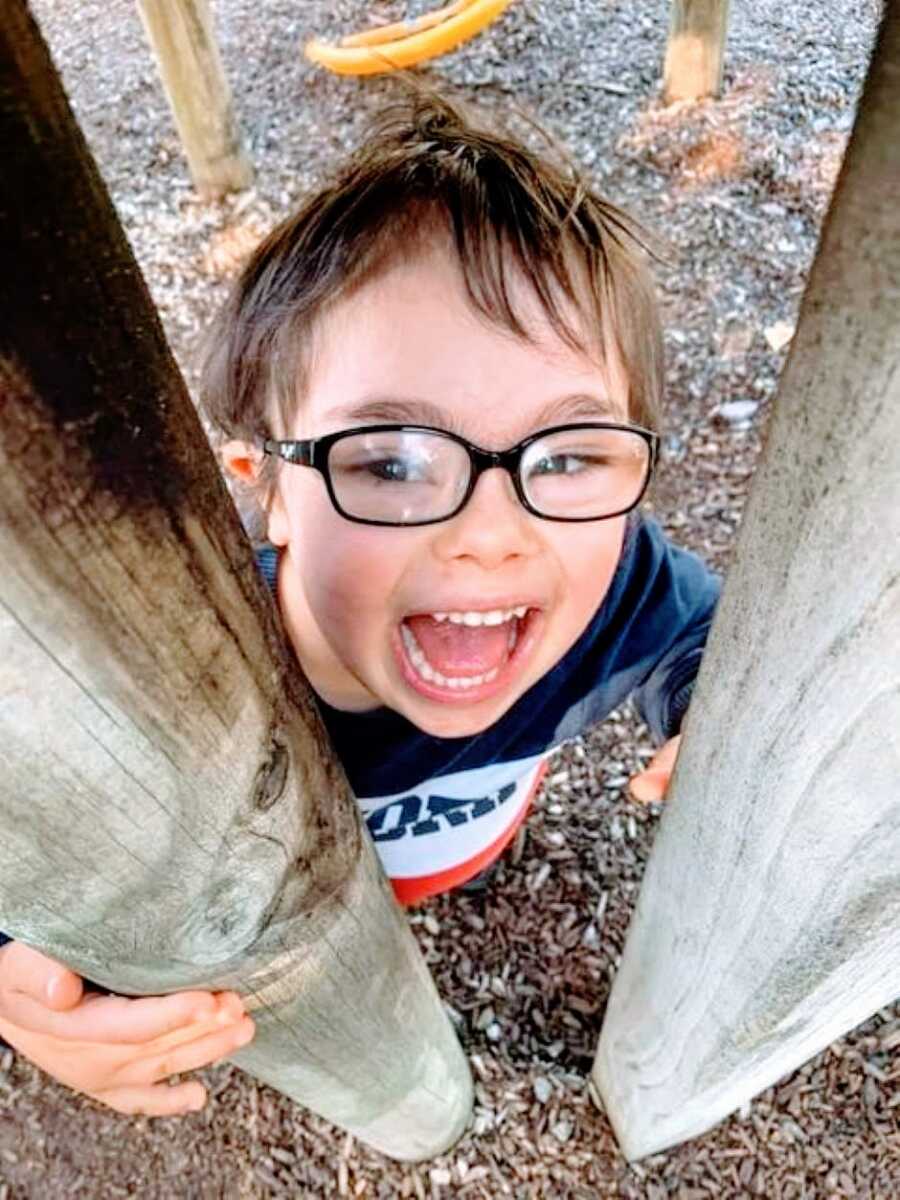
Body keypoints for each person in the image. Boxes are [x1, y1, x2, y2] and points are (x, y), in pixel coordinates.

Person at [0, 92, 719, 1118]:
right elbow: (33, 811)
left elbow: (706, 638)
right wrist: (26, 985)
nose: (490, 531)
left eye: (565, 456)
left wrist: (723, 719)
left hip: (446, 871)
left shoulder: (613, 596)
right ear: (268, 488)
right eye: (391, 461)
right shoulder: (177, 687)